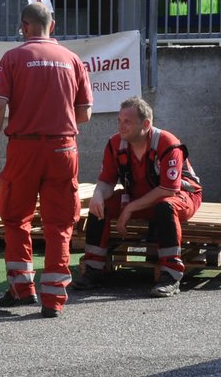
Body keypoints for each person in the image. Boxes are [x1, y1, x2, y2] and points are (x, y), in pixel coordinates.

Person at [0, 1, 92, 319]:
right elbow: (84, 114)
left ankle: (21, 289)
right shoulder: (72, 60)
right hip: (63, 148)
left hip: (24, 148)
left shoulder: (13, 58)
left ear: (24, 26)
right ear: (51, 26)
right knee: (59, 224)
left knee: (15, 218)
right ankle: (53, 299)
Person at [74, 96, 203, 297]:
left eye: (127, 121)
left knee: (165, 206)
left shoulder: (168, 143)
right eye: (119, 120)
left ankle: (170, 275)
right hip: (140, 197)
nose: (121, 126)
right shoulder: (115, 143)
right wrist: (98, 195)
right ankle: (94, 269)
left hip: (180, 197)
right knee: (100, 206)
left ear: (146, 124)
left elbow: (168, 190)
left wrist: (130, 209)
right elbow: (107, 182)